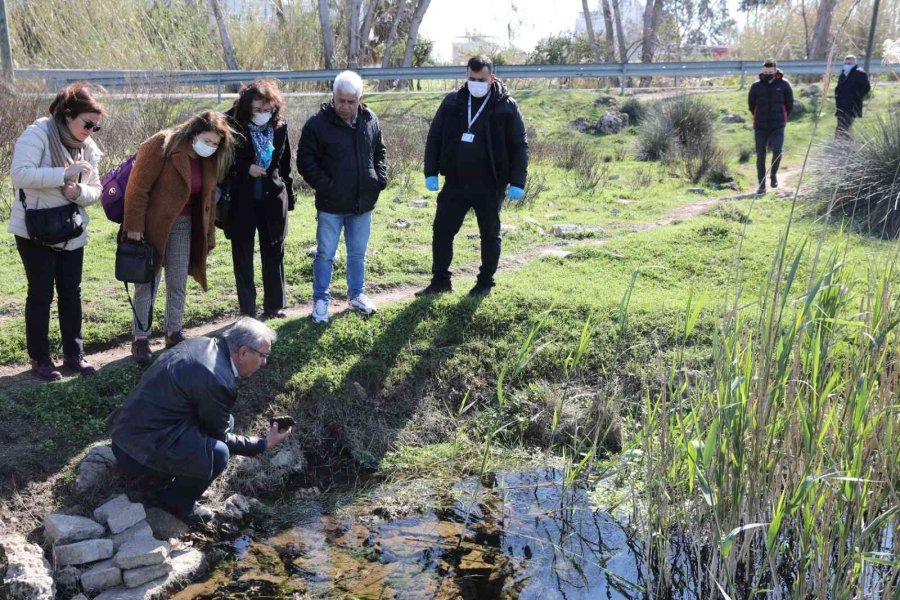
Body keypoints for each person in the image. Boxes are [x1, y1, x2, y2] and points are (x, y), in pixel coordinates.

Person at [110, 317, 291, 524]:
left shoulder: (203, 344)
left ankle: (170, 480)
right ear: (243, 352)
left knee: (227, 421)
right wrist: (263, 444)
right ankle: (175, 502)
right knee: (217, 454)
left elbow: (215, 424)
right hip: (134, 453)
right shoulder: (217, 379)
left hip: (127, 435)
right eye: (263, 356)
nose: (264, 362)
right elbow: (219, 436)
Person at [123, 111, 235, 366]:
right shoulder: (161, 144)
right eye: (208, 141)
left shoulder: (209, 159)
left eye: (216, 144)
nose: (211, 147)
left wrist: (208, 233)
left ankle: (173, 332)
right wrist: (133, 227)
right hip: (153, 224)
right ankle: (140, 338)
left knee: (177, 281)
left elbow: (206, 199)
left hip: (185, 225)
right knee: (147, 282)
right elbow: (137, 188)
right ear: (195, 132)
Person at [8, 84, 104, 381]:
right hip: (35, 229)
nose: (91, 130)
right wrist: (62, 174)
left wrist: (78, 191)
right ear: (67, 115)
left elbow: (96, 190)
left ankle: (74, 355)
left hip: (71, 229)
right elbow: (19, 174)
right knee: (40, 294)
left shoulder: (88, 146)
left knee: (71, 293)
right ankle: (40, 359)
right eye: (87, 123)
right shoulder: (38, 133)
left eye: (96, 126)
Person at [417, 55, 528, 298]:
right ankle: (440, 281)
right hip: (456, 182)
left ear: (492, 78)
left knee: (489, 234)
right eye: (471, 78)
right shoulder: (452, 103)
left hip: (490, 184)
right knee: (442, 230)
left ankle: (485, 283)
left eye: (481, 79)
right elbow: (434, 137)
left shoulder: (506, 106)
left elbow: (519, 145)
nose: (476, 83)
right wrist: (430, 171)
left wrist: (518, 181)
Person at [297, 70, 387, 324]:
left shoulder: (371, 120)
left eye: (351, 101)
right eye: (340, 100)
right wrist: (327, 186)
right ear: (333, 96)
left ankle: (357, 295)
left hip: (363, 203)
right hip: (331, 204)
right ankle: (321, 301)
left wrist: (378, 180)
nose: (345, 106)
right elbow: (305, 160)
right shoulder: (317, 124)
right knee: (325, 253)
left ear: (360, 99)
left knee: (358, 253)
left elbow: (379, 151)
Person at [224, 80, 295, 320]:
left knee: (274, 251)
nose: (264, 115)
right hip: (241, 200)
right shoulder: (230, 123)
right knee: (243, 255)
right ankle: (247, 310)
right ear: (247, 106)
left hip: (272, 199)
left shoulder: (280, 126)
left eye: (268, 110)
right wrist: (246, 168)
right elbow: (222, 160)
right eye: (258, 110)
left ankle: (274, 306)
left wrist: (290, 196)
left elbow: (285, 162)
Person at [748, 59, 793, 194]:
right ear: (762, 71)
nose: (768, 74)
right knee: (760, 155)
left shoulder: (784, 85)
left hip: (778, 125)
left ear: (775, 70)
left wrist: (783, 117)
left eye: (770, 72)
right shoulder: (756, 86)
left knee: (777, 151)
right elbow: (751, 105)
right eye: (765, 72)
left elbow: (789, 104)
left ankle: (773, 175)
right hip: (760, 126)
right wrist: (758, 116)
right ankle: (761, 185)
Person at [834, 54, 871, 138]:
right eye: (845, 63)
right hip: (841, 107)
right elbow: (838, 87)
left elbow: (866, 87)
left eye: (849, 63)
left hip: (851, 107)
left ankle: (842, 148)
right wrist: (837, 96)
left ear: (854, 64)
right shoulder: (843, 74)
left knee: (842, 129)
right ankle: (846, 148)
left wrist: (856, 97)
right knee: (841, 129)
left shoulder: (859, 73)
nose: (847, 65)